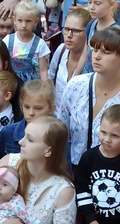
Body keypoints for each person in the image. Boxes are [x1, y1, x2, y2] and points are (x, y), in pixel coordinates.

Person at [0, 115, 76, 224]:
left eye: (30, 139)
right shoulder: (7, 162)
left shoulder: (63, 190)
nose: (21, 142)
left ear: (48, 150)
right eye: (24, 135)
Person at [59, 26, 120, 168]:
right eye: (94, 50)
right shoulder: (76, 85)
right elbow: (62, 132)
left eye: (106, 52)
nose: (97, 56)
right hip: (74, 170)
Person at [74, 105, 120, 224]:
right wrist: (92, 222)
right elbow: (81, 192)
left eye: (115, 136)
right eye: (103, 132)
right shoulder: (89, 158)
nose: (106, 139)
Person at [0, 79, 55, 163]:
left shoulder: (57, 135)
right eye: (26, 107)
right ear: (21, 105)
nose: (31, 113)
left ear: (51, 109)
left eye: (38, 108)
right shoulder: (7, 133)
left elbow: (62, 171)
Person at [48, 8, 91, 116]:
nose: (69, 35)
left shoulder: (92, 61)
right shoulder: (61, 50)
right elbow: (49, 80)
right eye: (66, 29)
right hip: (55, 119)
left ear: (88, 32)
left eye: (76, 31)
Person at [3, 0, 50, 82]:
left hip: (30, 85)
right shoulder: (8, 40)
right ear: (14, 20)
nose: (24, 25)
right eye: (20, 20)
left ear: (35, 22)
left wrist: (45, 89)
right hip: (11, 82)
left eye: (28, 21)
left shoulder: (40, 44)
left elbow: (43, 71)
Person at [75, 0, 118, 74]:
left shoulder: (116, 32)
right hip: (87, 75)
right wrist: (75, 75)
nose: (91, 7)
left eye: (97, 3)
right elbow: (85, 54)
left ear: (111, 5)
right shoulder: (91, 24)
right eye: (89, 2)